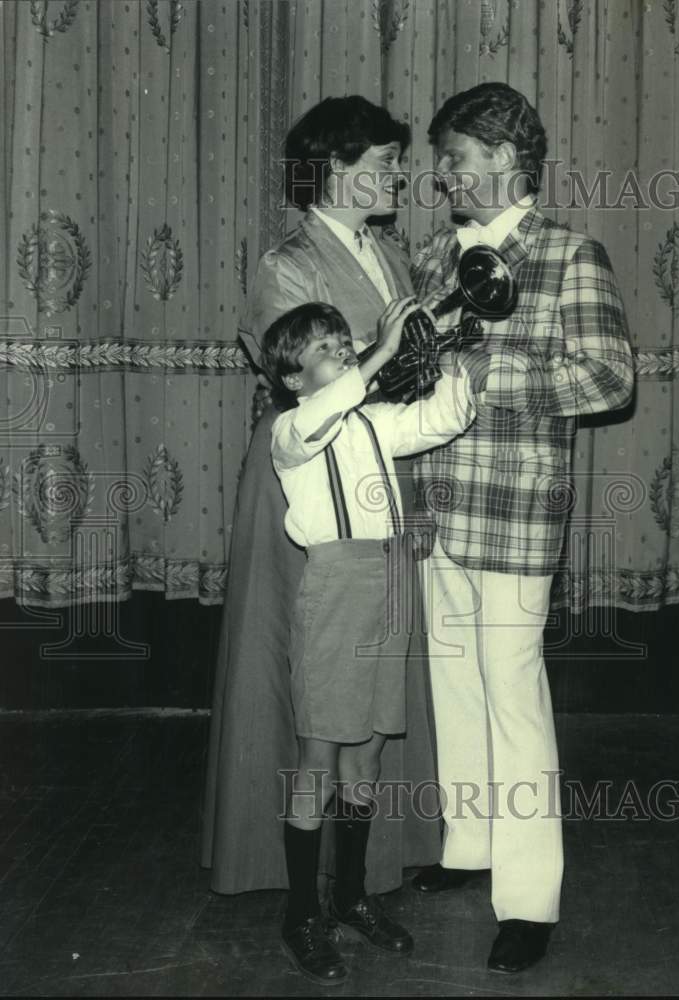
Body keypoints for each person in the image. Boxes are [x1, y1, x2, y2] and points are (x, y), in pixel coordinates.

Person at [410, 83, 635, 973]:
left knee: (512, 695)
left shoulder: (570, 254)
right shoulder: (436, 255)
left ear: (505, 161)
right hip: (438, 508)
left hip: (514, 512)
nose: (442, 176)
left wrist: (483, 371)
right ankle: (469, 847)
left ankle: (530, 898)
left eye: (455, 160)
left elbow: (607, 380)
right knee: (454, 685)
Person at [201, 98, 441, 905]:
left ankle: (364, 877)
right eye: (381, 161)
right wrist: (394, 351)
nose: (397, 174)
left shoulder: (388, 252)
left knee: (371, 690)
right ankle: (285, 881)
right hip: (304, 490)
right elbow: (313, 387)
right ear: (333, 171)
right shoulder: (288, 264)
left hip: (381, 473)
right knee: (301, 675)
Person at [262, 299, 476, 984]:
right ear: (292, 378)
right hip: (335, 586)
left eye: (338, 339)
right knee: (318, 753)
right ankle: (301, 913)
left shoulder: (370, 421)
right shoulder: (292, 428)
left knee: (369, 749)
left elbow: (440, 420)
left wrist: (455, 370)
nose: (342, 350)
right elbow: (323, 416)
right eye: (323, 348)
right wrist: (380, 354)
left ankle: (349, 896)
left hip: (389, 580)